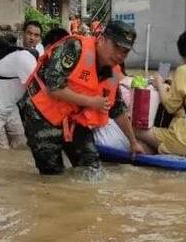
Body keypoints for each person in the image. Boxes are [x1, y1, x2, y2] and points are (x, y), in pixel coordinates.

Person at [18, 20, 145, 175]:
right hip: (41, 114)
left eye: (125, 51)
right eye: (116, 47)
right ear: (102, 39)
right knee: (52, 175)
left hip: (73, 119)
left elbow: (117, 108)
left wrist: (133, 142)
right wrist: (91, 102)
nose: (120, 55)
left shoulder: (112, 72)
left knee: (92, 169)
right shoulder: (75, 48)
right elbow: (53, 87)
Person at [135, 30, 186, 158]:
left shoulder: (183, 70)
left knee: (136, 130)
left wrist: (160, 84)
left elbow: (170, 106)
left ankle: (152, 150)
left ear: (181, 52)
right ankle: (157, 148)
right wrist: (171, 85)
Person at [0, 35, 38, 149]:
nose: (32, 38)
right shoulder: (24, 58)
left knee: (21, 142)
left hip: (9, 106)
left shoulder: (29, 55)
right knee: (3, 151)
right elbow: (38, 89)